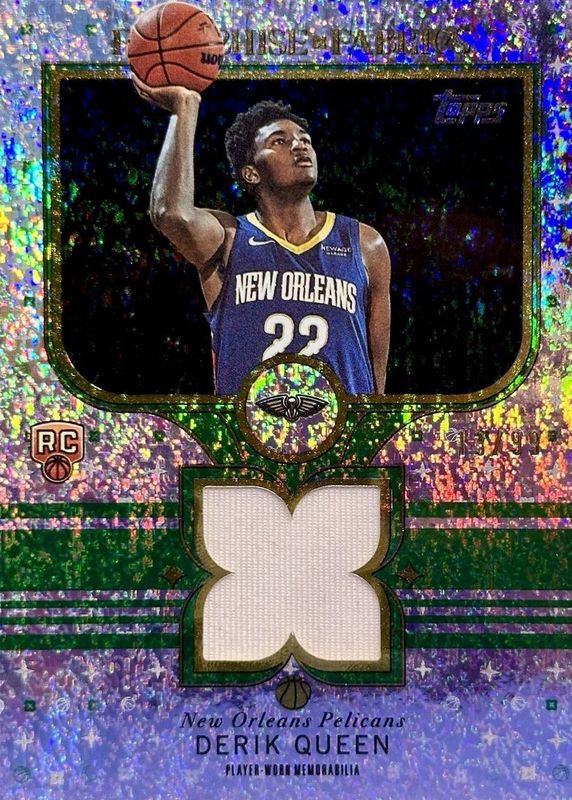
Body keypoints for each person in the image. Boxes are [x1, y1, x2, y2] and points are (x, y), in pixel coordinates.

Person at [132, 76, 391, 395]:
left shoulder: (365, 243)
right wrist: (185, 108)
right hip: (250, 425)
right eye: (279, 141)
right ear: (251, 173)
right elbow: (171, 214)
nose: (299, 145)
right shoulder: (229, 238)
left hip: (339, 426)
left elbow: (376, 381)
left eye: (305, 139)